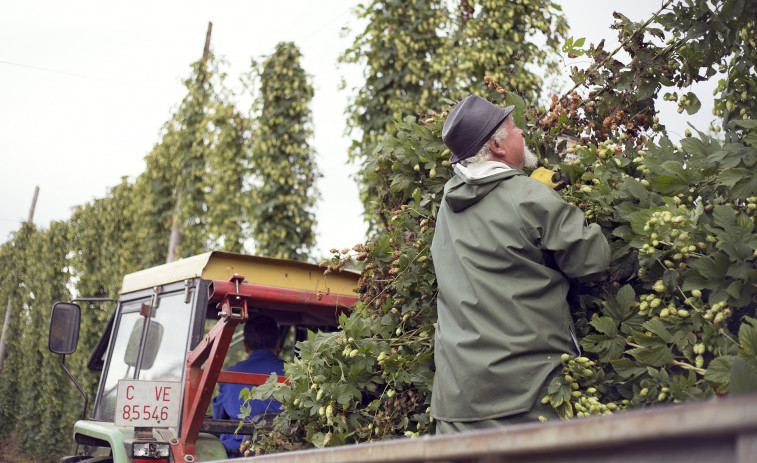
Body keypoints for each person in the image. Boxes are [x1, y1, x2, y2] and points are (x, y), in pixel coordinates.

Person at [430, 94, 610, 433]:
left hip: (456, 403)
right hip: (525, 398)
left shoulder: (447, 203)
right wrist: (547, 199)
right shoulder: (529, 197)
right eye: (515, 129)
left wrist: (524, 189)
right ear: (498, 146)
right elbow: (593, 260)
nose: (523, 133)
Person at [212, 314, 285, 454]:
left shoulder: (229, 376)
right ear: (278, 343)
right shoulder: (295, 375)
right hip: (285, 452)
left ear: (245, 345)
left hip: (237, 454)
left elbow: (218, 418)